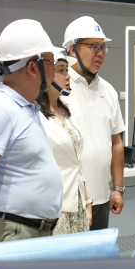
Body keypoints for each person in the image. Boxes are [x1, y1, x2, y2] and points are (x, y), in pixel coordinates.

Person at [0, 19, 63, 244]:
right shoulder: (0, 109)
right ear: (33, 67)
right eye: (51, 60)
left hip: (27, 231)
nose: (54, 66)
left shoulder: (25, 108)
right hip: (11, 232)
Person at [61, 16, 125, 230]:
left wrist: (117, 188)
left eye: (103, 47)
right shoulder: (57, 89)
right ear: (72, 50)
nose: (100, 52)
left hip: (102, 197)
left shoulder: (108, 90)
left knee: (99, 252)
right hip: (68, 201)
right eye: (93, 46)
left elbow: (116, 142)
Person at [36, 51, 92, 234]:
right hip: (53, 205)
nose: (67, 76)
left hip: (77, 202)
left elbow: (76, 162)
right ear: (46, 74)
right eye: (61, 70)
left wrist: (87, 201)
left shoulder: (66, 112)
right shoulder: (35, 115)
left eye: (67, 70)